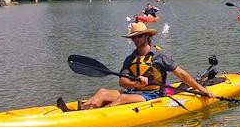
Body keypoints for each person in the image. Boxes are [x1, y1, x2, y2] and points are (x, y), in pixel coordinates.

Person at [57, 21, 213, 111]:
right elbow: (122, 82)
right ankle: (79, 112)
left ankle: (92, 116)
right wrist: (136, 83)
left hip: (152, 95)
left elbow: (182, 75)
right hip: (132, 91)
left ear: (147, 36)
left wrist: (202, 90)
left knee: (123, 98)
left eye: (139, 36)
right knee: (103, 92)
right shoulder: (130, 58)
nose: (136, 39)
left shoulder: (159, 56)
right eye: (133, 37)